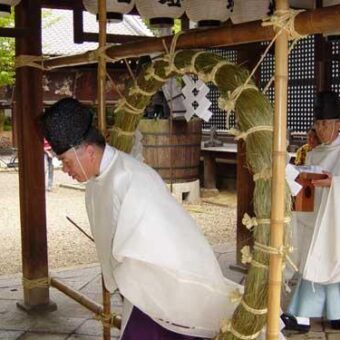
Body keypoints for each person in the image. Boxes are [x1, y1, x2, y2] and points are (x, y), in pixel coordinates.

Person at [40, 97, 240, 340]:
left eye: (66, 162)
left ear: (89, 151)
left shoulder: (131, 178)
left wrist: (125, 278)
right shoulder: (97, 180)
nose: (65, 170)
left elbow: (156, 246)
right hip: (144, 288)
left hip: (167, 281)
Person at [282, 91, 340, 332]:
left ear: (338, 124)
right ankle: (335, 314)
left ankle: (301, 315)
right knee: (317, 259)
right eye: (317, 124)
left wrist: (334, 183)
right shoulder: (316, 152)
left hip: (334, 220)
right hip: (314, 217)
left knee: (325, 259)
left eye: (325, 124)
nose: (320, 129)